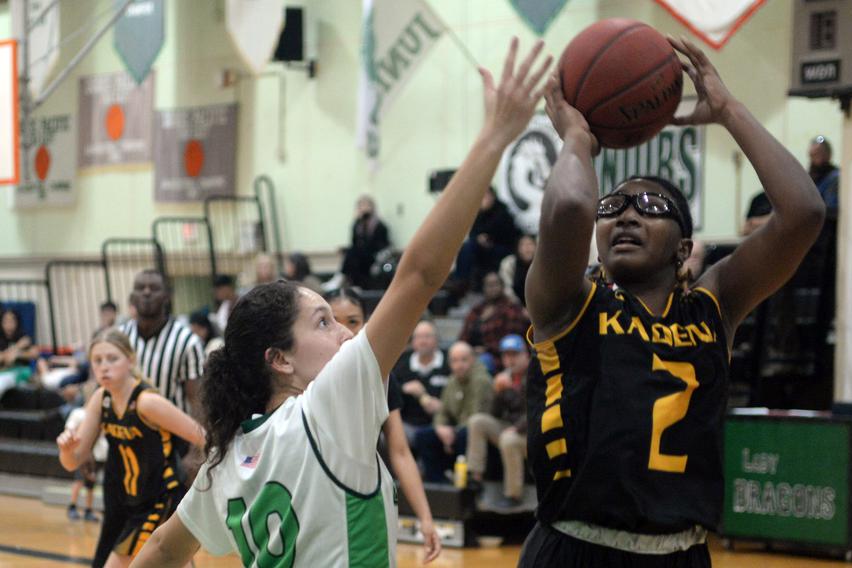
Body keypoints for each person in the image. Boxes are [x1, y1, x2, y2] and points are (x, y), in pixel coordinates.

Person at [131, 38, 552, 567]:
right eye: (323, 322)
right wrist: (493, 138)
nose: (347, 333)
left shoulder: (229, 458)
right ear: (279, 359)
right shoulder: (327, 407)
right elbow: (419, 275)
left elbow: (164, 547)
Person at [518, 36, 825, 566]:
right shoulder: (568, 300)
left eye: (652, 205)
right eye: (614, 205)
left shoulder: (714, 306)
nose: (628, 214)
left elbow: (804, 213)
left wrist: (729, 111)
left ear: (684, 248)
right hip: (574, 549)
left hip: (683, 553)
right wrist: (575, 140)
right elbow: (570, 203)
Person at [56, 330, 205, 567]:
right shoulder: (101, 399)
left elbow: (201, 436)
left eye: (112, 359)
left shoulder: (147, 402)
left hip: (162, 498)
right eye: (97, 360)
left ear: (131, 360)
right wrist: (66, 449)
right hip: (136, 501)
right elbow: (73, 461)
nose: (104, 366)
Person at [325, 287, 442, 563]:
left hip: (366, 502)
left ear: (366, 324)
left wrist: (425, 518)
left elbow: (400, 452)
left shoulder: (381, 377)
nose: (343, 330)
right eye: (331, 321)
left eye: (352, 321)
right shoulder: (302, 380)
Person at [119, 270, 205, 415]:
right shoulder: (120, 337)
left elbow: (196, 400)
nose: (146, 292)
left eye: (154, 288)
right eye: (140, 288)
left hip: (174, 433)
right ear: (133, 298)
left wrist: (201, 436)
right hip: (129, 431)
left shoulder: (187, 341)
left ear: (167, 296)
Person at [466, 334, 529, 509]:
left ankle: (513, 495)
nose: (510, 360)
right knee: (477, 421)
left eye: (515, 354)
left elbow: (538, 411)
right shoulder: (504, 378)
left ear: (526, 355)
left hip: (534, 434)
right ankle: (475, 477)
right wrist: (497, 392)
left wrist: (516, 428)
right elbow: (494, 414)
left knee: (509, 440)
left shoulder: (536, 376)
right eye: (507, 355)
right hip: (512, 428)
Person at [415, 342, 493, 483]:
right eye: (455, 361)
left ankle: (467, 486)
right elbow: (442, 412)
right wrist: (441, 428)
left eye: (464, 360)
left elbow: (476, 416)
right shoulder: (452, 380)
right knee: (423, 436)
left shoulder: (482, 381)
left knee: (464, 435)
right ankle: (438, 484)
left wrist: (451, 433)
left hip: (477, 433)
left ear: (473, 360)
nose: (459, 365)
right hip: (456, 430)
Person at [458, 271, 530, 372]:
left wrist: (486, 349)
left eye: (496, 284)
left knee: (482, 361)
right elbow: (463, 337)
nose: (492, 288)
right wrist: (469, 351)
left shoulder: (511, 308)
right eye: (489, 285)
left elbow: (512, 341)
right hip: (473, 354)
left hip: (500, 357)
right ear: (483, 288)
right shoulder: (477, 310)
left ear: (502, 286)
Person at [393, 321, 450, 446]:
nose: (423, 341)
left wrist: (444, 407)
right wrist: (403, 388)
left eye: (427, 337)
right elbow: (387, 390)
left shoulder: (448, 363)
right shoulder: (402, 362)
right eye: (419, 337)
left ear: (436, 340)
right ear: (413, 341)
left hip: (440, 423)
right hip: (407, 423)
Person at [453, 186, 520, 293]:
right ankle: (460, 280)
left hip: (502, 249)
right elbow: (473, 235)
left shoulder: (502, 211)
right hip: (484, 250)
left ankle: (462, 280)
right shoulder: (478, 215)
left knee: (470, 246)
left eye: (486, 196)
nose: (484, 199)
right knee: (467, 247)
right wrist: (479, 239)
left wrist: (486, 238)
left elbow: (503, 233)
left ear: (493, 196)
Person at [332, 195, 391, 290]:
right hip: (360, 257)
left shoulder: (380, 226)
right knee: (352, 254)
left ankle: (341, 277)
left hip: (374, 257)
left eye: (366, 205)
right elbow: (354, 243)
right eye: (361, 206)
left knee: (353, 254)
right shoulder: (356, 224)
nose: (364, 208)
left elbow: (382, 246)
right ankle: (351, 283)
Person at [63, 403, 107, 523]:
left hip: (99, 454)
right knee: (79, 480)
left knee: (91, 483)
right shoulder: (79, 413)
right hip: (84, 453)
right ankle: (72, 506)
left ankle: (88, 509)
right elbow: (69, 430)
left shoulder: (104, 415)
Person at [500, 234, 537, 306]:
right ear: (518, 248)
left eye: (530, 244)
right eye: (523, 245)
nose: (527, 248)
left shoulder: (542, 264)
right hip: (516, 306)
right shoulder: (509, 263)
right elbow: (507, 290)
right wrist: (520, 308)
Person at [808, 135, 839, 211]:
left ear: (828, 155)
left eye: (818, 154)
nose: (814, 159)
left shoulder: (835, 177)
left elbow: (830, 207)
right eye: (812, 155)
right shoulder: (809, 177)